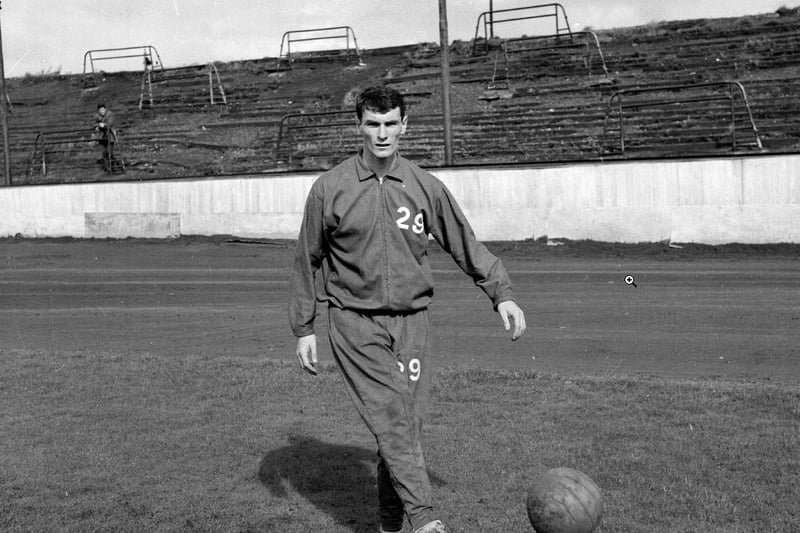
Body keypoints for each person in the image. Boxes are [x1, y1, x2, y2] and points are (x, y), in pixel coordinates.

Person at [287, 86, 526, 533]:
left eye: (390, 123)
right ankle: (425, 520)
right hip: (354, 321)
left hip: (413, 322)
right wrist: (304, 328)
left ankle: (389, 523)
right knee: (394, 420)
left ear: (405, 125)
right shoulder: (329, 189)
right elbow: (306, 259)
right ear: (358, 126)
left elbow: (463, 241)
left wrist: (502, 292)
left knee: (404, 429)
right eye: (373, 124)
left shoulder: (425, 187)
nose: (382, 134)